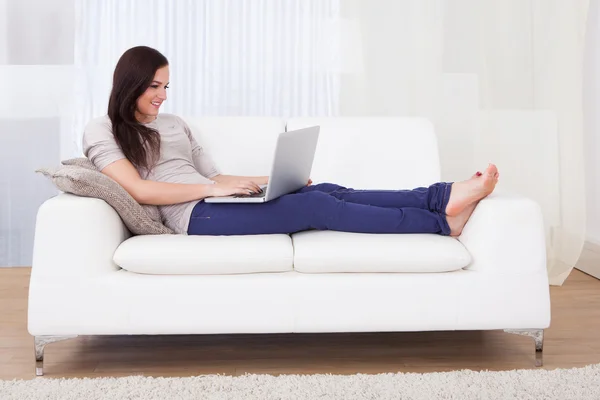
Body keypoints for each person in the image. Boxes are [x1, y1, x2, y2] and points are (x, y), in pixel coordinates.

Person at [83, 46, 499, 237]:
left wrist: (270, 179)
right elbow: (137, 189)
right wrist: (213, 190)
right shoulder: (101, 129)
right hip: (194, 216)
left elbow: (217, 175)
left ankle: (441, 195)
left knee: (327, 190)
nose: (163, 95)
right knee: (318, 208)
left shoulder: (174, 122)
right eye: (155, 86)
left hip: (215, 198)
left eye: (167, 86)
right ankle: (443, 222)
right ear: (131, 84)